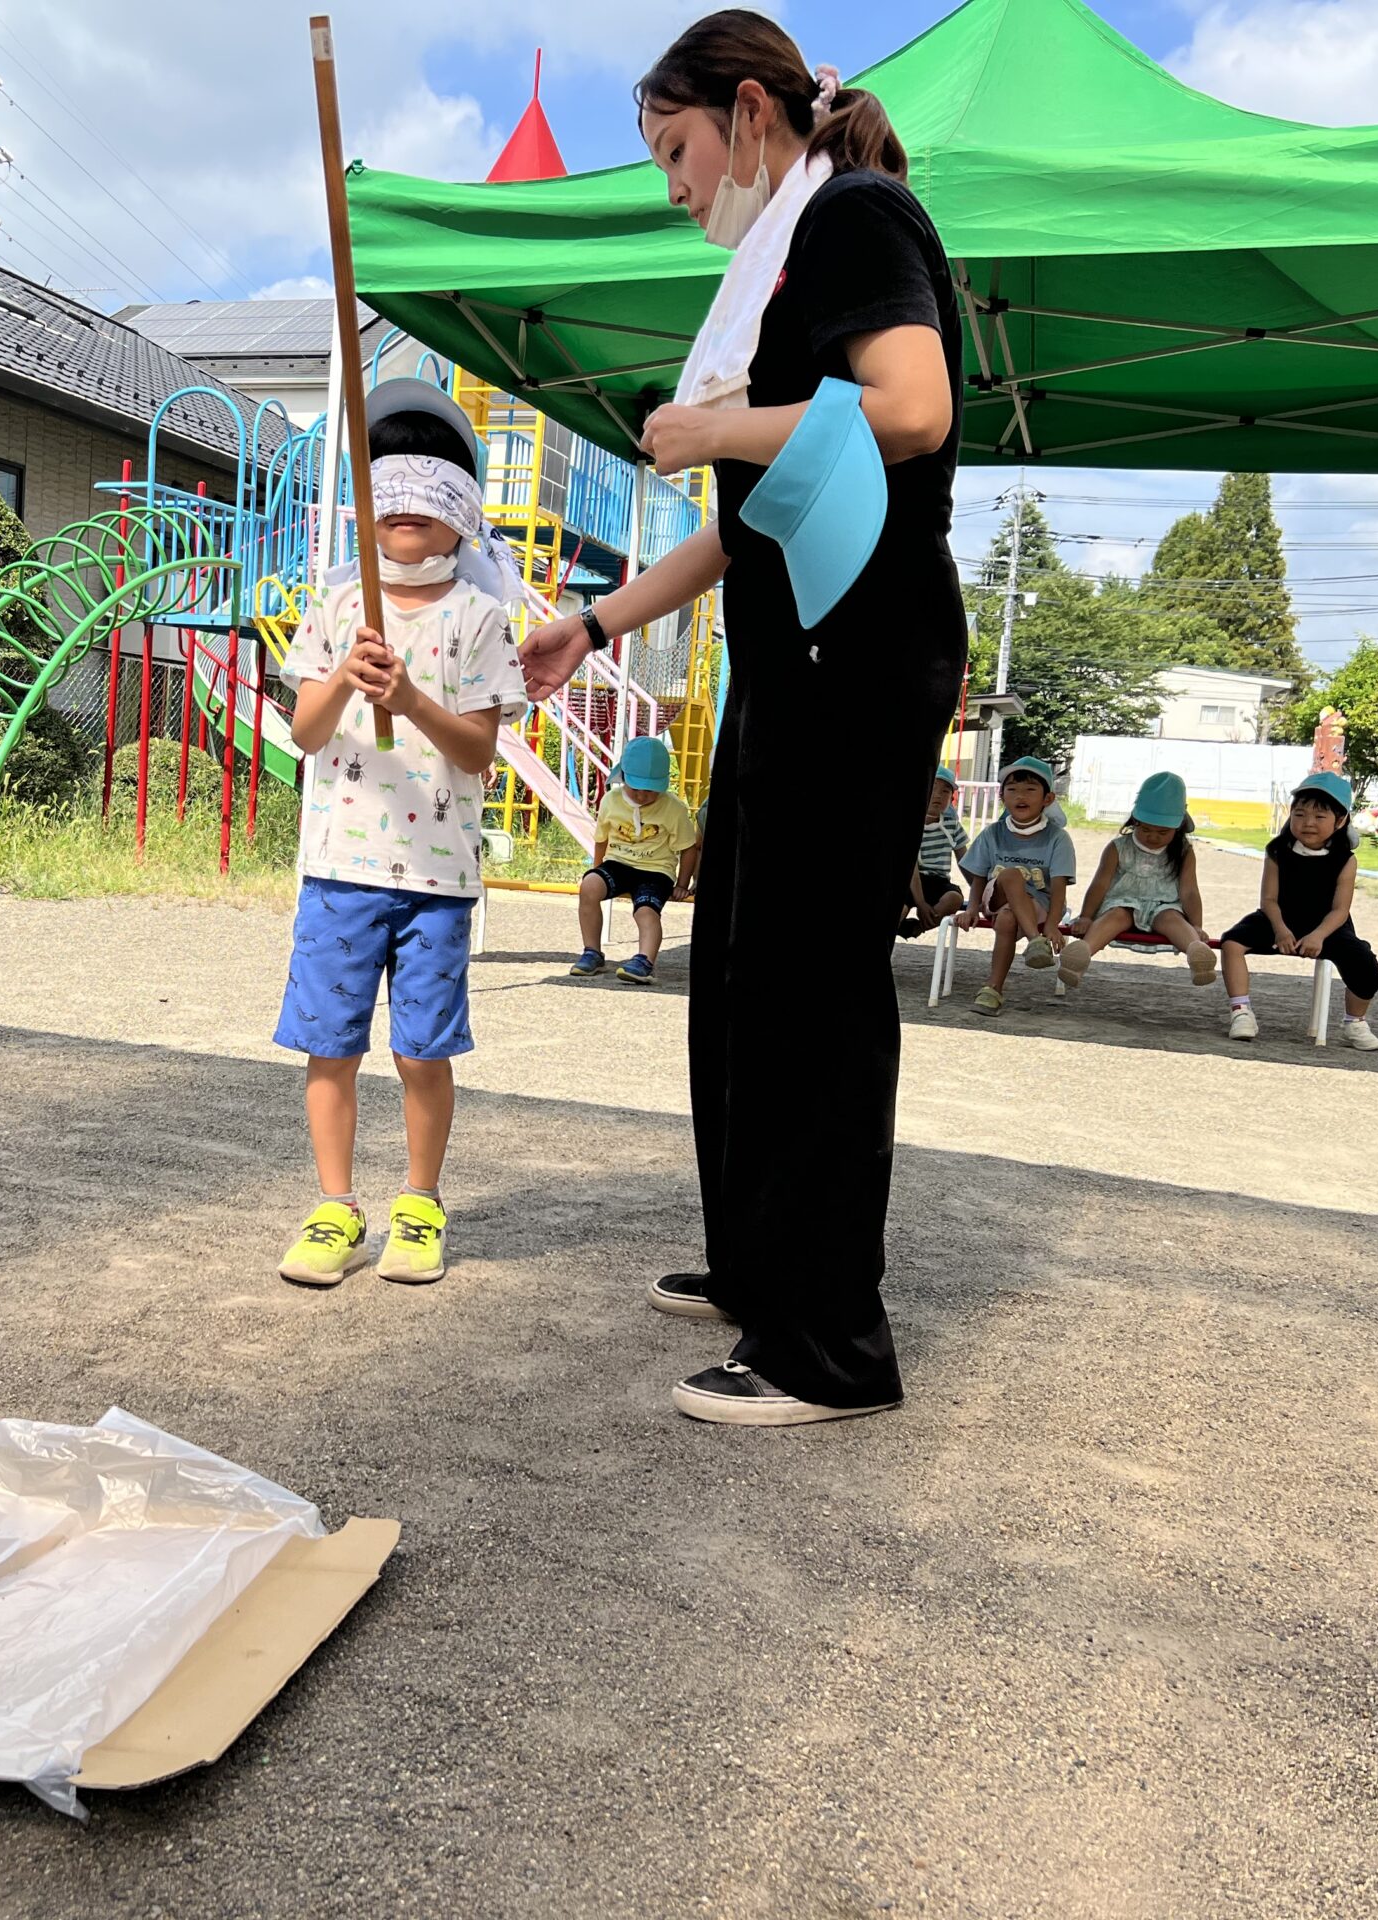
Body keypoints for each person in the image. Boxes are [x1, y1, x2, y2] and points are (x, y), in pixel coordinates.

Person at [519, 12, 962, 1425]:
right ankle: (759, 1265)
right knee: (742, 977)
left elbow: (912, 406)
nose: (668, 183)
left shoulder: (858, 220)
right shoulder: (783, 263)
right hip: (800, 654)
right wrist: (593, 623)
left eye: (675, 148)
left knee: (817, 988)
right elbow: (743, 529)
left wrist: (709, 427)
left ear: (752, 113)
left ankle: (829, 1349)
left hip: (864, 653)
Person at [273, 387, 529, 1288]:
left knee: (423, 1049)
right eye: (391, 493)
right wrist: (346, 676)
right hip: (340, 868)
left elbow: (480, 754)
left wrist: (412, 698)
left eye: (432, 494)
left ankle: (419, 1203)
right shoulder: (338, 610)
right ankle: (335, 1207)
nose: (409, 510)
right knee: (329, 1042)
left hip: (435, 877)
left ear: (462, 512)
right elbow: (305, 732)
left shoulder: (480, 619)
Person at [1218, 771, 1378, 1050]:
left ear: (1340, 820)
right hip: (1278, 918)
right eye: (1299, 814)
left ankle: (1354, 1022)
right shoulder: (1277, 850)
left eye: (1320, 817)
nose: (1308, 823)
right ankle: (1241, 1012)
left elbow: (1340, 910)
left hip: (1328, 925)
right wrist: (1281, 929)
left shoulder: (1345, 859)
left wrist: (1318, 936)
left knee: (1365, 963)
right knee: (1232, 942)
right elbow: (1269, 899)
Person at [1058, 770, 1216, 989]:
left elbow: (1189, 890)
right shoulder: (1118, 848)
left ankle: (1197, 953)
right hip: (1124, 902)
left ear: (1177, 828)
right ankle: (1079, 957)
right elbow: (1100, 884)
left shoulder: (1183, 852)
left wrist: (1197, 924)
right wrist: (1086, 916)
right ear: (1135, 821)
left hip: (1164, 905)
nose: (1153, 837)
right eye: (1146, 829)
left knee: (1172, 918)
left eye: (1162, 832)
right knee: (1116, 916)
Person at [575, 734, 703, 984]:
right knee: (588, 886)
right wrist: (596, 871)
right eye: (636, 788)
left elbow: (688, 848)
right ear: (622, 778)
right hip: (618, 864)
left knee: (645, 911)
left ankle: (644, 961)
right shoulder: (610, 801)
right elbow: (601, 839)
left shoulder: (673, 808)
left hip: (656, 871)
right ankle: (592, 952)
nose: (643, 796)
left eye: (651, 790)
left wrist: (681, 883)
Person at [957, 757, 1075, 1015]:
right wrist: (972, 909)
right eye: (1012, 790)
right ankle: (1035, 942)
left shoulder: (1058, 838)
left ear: (1048, 798)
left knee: (1007, 921)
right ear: (1002, 797)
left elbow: (1058, 887)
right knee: (1010, 876)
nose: (1020, 796)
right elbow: (978, 876)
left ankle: (993, 989)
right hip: (997, 897)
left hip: (1038, 905)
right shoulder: (993, 833)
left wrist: (1053, 924)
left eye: (1031, 789)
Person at [904, 765, 968, 934]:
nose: (938, 795)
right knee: (898, 909)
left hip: (938, 882)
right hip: (910, 880)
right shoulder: (908, 824)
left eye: (945, 791)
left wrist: (979, 895)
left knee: (954, 899)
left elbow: (966, 862)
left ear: (951, 799)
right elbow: (911, 868)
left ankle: (916, 929)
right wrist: (920, 903)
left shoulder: (952, 826)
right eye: (933, 788)